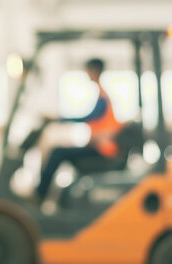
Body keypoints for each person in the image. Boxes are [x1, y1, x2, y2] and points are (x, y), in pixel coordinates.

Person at [36, 58, 122, 200]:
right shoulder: (101, 94)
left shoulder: (103, 98)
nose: (87, 74)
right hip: (99, 146)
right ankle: (44, 193)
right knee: (60, 151)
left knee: (57, 153)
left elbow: (87, 117)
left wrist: (60, 119)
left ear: (94, 71)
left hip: (104, 150)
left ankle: (40, 194)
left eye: (88, 70)